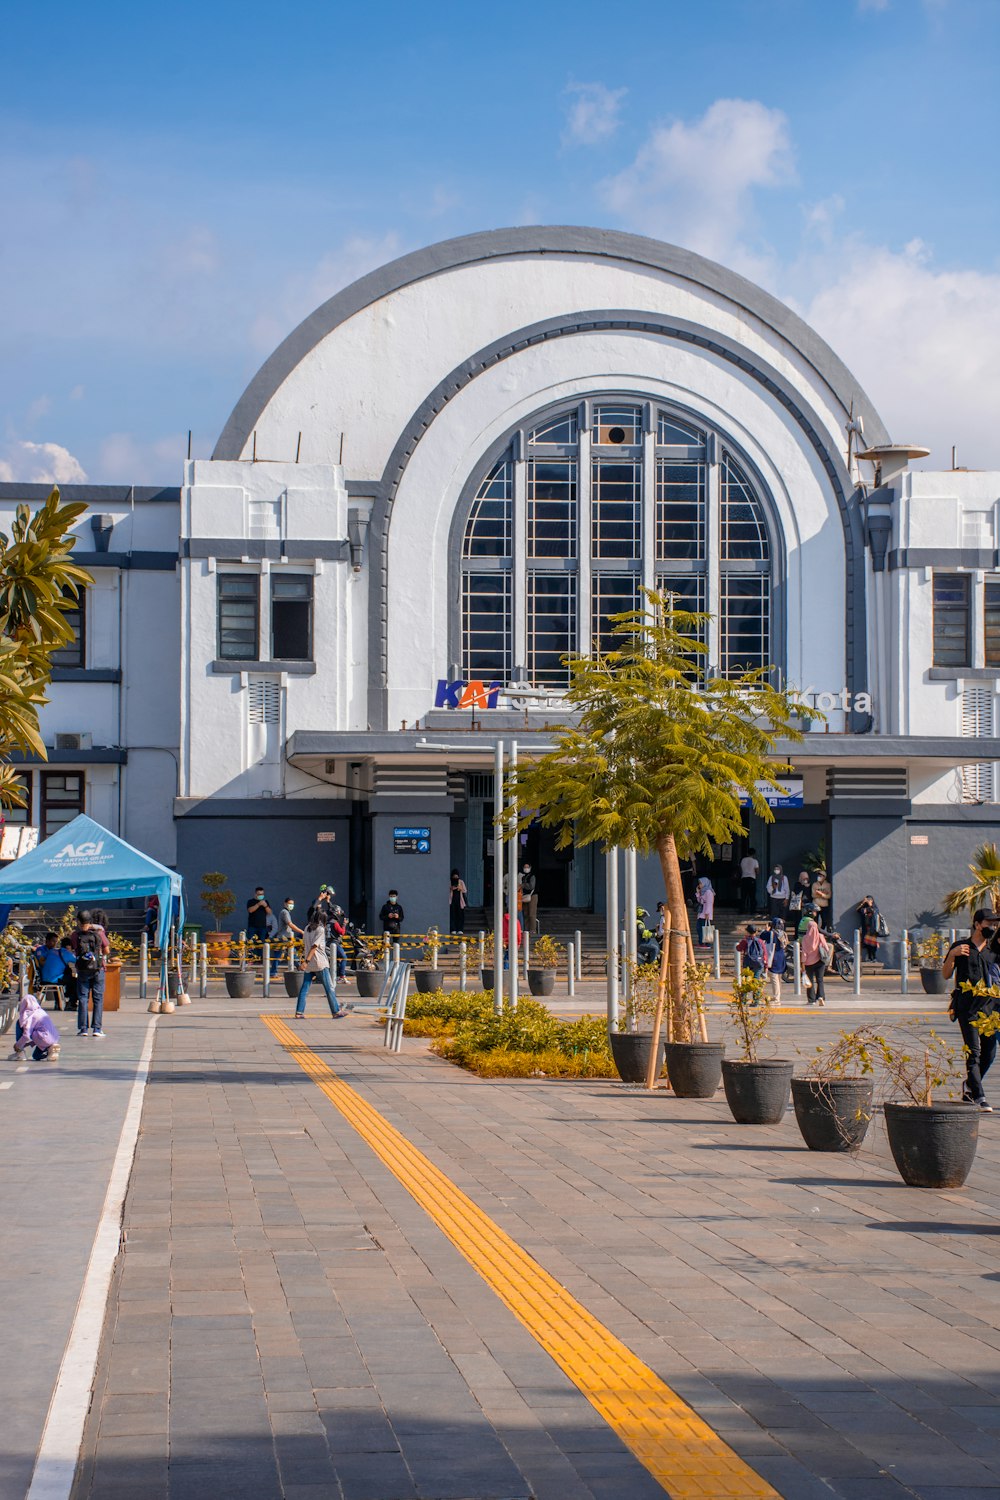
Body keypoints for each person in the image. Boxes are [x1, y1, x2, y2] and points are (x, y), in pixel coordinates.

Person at [942, 909, 1000, 1109]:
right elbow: (946, 974)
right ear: (977, 924)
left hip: (989, 1010)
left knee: (990, 1053)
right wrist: (951, 955)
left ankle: (970, 1085)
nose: (992, 927)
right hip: (967, 1008)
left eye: (994, 924)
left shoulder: (994, 952)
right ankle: (979, 1095)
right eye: (988, 923)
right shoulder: (961, 947)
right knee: (973, 1052)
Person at [294, 907, 347, 1020]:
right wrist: (306, 961)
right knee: (329, 988)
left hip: (310, 965)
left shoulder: (307, 928)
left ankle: (299, 1012)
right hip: (319, 963)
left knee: (305, 988)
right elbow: (314, 946)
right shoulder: (320, 929)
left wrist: (306, 962)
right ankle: (336, 1011)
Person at [66, 911, 110, 1036]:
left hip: (82, 970)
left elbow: (75, 951)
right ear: (90, 921)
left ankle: (83, 1029)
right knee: (98, 999)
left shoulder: (75, 935)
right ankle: (97, 1029)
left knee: (83, 999)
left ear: (78, 922)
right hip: (98, 969)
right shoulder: (99, 933)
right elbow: (106, 950)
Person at [33, 931, 78, 1008]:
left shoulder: (52, 951)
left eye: (56, 942)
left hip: (50, 975)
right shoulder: (41, 950)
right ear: (47, 941)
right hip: (45, 976)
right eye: (53, 941)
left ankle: (59, 1002)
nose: (55, 944)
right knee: (74, 981)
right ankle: (71, 1002)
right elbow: (42, 963)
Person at [9, 993, 60, 1061]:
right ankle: (50, 1049)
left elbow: (26, 1035)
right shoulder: (41, 1011)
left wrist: (18, 1045)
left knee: (19, 1024)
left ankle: (20, 1053)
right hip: (54, 1038)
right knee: (36, 1056)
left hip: (43, 1038)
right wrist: (29, 1044)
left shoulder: (28, 1015)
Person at [799, 903, 827, 1006]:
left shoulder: (805, 939)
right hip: (820, 960)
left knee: (810, 980)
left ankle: (811, 1000)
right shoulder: (820, 936)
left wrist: (802, 964)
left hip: (808, 962)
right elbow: (826, 947)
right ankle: (821, 996)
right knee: (820, 980)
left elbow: (804, 953)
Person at [762, 918, 788, 1003]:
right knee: (778, 978)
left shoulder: (771, 933)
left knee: (774, 977)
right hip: (781, 956)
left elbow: (762, 935)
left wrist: (766, 929)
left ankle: (777, 998)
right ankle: (777, 995)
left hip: (774, 957)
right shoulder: (783, 933)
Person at [277, 896, 302, 969]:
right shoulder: (285, 912)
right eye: (290, 903)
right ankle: (300, 967)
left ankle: (299, 967)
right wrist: (301, 931)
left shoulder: (286, 912)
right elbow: (290, 924)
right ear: (285, 904)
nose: (291, 905)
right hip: (285, 937)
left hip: (285, 936)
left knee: (288, 954)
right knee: (292, 954)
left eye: (292, 904)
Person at [247, 886, 269, 963]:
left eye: (262, 894)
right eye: (259, 894)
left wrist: (265, 905)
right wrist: (258, 904)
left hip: (262, 927)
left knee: (261, 944)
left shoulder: (265, 902)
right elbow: (250, 910)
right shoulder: (250, 902)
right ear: (255, 894)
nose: (261, 895)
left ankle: (260, 960)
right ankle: (250, 959)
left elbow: (269, 912)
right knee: (250, 943)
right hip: (252, 926)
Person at [856, 895, 882, 963]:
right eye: (867, 900)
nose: (868, 901)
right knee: (867, 944)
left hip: (873, 929)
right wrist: (862, 903)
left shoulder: (874, 907)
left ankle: (874, 957)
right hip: (866, 929)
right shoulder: (865, 908)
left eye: (869, 900)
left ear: (872, 900)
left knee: (873, 944)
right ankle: (870, 957)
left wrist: (870, 905)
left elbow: (874, 912)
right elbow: (858, 910)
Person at [694, 877, 715, 946]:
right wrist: (698, 893)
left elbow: (709, 903)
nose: (699, 885)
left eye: (700, 883)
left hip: (705, 913)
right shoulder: (703, 891)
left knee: (704, 928)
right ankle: (701, 942)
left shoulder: (709, 892)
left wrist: (707, 913)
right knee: (699, 928)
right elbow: (700, 901)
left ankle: (706, 943)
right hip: (701, 913)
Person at [739, 848, 759, 913]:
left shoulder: (743, 860)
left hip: (744, 878)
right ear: (754, 854)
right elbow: (757, 871)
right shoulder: (755, 861)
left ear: (747, 853)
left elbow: (740, 870)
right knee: (752, 896)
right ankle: (752, 910)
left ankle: (742, 910)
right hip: (751, 879)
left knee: (743, 896)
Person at [448, 869, 468, 935]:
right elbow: (447, 889)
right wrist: (452, 888)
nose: (455, 878)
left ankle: (460, 929)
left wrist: (460, 888)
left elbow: (465, 890)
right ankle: (453, 929)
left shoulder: (461, 882)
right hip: (452, 901)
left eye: (457, 877)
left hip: (460, 902)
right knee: (452, 915)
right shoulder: (450, 882)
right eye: (454, 877)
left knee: (460, 915)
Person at [520, 864, 538, 934]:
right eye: (525, 867)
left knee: (531, 913)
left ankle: (533, 930)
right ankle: (526, 930)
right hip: (524, 896)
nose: (526, 868)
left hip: (532, 895)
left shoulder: (532, 876)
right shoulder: (523, 876)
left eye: (527, 867)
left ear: (530, 868)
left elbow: (531, 886)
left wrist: (523, 885)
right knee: (525, 913)